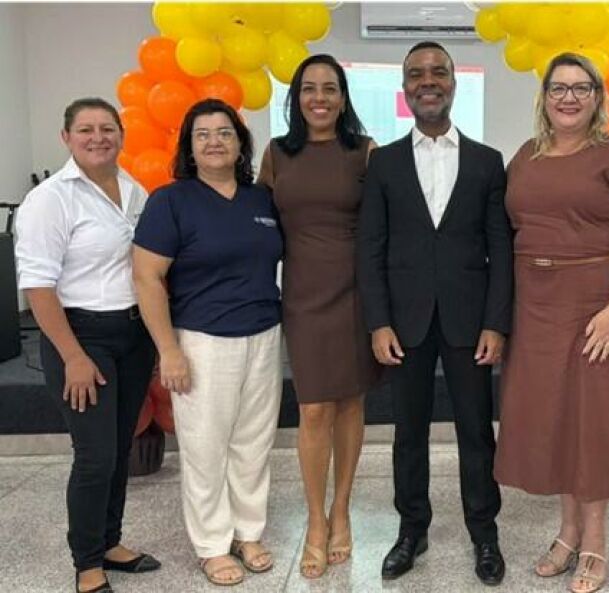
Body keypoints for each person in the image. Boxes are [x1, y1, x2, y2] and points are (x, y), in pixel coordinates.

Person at [493, 53, 609, 593]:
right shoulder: (525, 156)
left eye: (580, 88)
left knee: (593, 423)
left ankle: (594, 542)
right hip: (534, 306)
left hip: (595, 304)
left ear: (598, 96)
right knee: (555, 419)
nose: (568, 97)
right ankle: (565, 532)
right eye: (558, 88)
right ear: (544, 97)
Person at [357, 41, 513, 586]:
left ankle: (484, 533)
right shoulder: (383, 163)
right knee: (408, 433)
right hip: (404, 323)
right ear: (404, 88)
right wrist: (378, 321)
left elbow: (501, 251)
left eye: (439, 72)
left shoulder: (488, 162)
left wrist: (496, 322)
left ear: (454, 82)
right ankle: (412, 529)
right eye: (417, 74)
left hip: (472, 324)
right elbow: (369, 248)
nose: (428, 81)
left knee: (476, 430)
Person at [132, 98, 284, 587]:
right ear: (189, 147)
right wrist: (168, 350)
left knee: (254, 444)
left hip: (263, 334)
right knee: (204, 447)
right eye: (202, 134)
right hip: (202, 341)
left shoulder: (261, 199)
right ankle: (212, 544)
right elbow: (147, 278)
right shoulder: (170, 202)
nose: (214, 141)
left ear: (240, 143)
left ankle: (248, 531)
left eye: (224, 132)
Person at [14, 97, 160, 593]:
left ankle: (111, 542)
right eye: (86, 130)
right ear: (66, 138)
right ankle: (86, 563)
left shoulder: (133, 191)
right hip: (80, 336)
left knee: (120, 447)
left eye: (107, 128)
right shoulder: (51, 199)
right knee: (95, 453)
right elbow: (37, 285)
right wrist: (73, 355)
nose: (98, 137)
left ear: (121, 134)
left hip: (132, 334)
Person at [256, 54, 382, 579]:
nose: (320, 98)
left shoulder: (365, 151)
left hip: (356, 291)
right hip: (303, 294)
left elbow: (382, 226)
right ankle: (313, 519)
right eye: (309, 89)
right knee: (313, 409)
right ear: (296, 97)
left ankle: (341, 510)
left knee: (350, 402)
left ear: (344, 95)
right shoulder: (277, 153)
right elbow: (258, 225)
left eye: (331, 88)